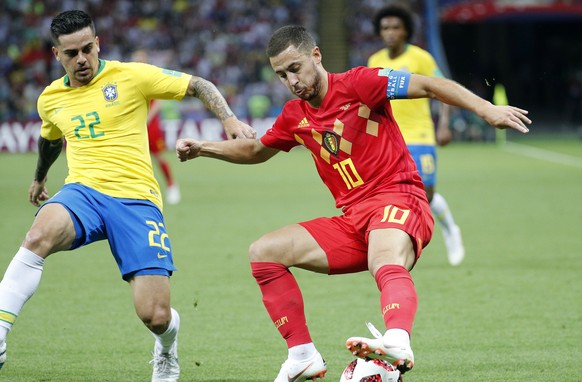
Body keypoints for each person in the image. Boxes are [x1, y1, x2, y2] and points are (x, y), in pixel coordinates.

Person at [176, 25, 530, 381]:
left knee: (383, 259)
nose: (291, 80)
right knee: (264, 252)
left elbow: (430, 85)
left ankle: (397, 341)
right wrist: (203, 148)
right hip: (355, 221)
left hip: (400, 199)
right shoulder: (295, 116)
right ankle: (302, 356)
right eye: (282, 74)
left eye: (295, 68)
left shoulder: (361, 83)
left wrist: (487, 109)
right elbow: (255, 150)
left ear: (316, 56)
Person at [0, 9, 255, 381]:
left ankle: (167, 347)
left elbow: (198, 84)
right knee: (37, 235)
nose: (82, 59)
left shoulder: (132, 76)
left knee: (156, 316)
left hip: (136, 201)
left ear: (98, 42)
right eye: (71, 54)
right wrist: (40, 178)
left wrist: (228, 118)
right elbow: (49, 138)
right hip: (82, 193)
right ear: (57, 55)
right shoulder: (50, 99)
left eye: (88, 48)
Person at [368, 4, 464, 266]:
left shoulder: (421, 58)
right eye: (385, 28)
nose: (390, 32)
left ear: (406, 31)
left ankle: (449, 229)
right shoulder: (375, 61)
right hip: (389, 139)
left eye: (396, 27)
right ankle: (397, 245)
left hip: (420, 134)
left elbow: (443, 89)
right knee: (393, 194)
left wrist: (444, 123)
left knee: (427, 194)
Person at [132, 49, 181, 205]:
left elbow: (158, 103)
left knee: (159, 157)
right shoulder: (129, 79)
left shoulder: (150, 77)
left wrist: (146, 118)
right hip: (134, 127)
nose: (138, 63)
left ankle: (172, 186)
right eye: (136, 60)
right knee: (135, 159)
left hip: (150, 126)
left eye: (141, 60)